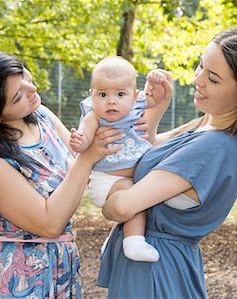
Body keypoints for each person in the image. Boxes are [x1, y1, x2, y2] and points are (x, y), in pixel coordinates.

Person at [96, 24, 237, 298]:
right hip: (156, 265)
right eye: (201, 66)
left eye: (213, 78)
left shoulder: (215, 145)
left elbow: (123, 207)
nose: (197, 79)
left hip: (155, 272)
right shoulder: (207, 125)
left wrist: (110, 192)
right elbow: (146, 153)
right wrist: (158, 105)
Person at [0, 48, 125, 298]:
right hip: (22, 279)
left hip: (63, 268)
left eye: (25, 76)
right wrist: (88, 157)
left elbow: (89, 173)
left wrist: (153, 111)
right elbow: (49, 223)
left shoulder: (40, 116)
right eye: (18, 96)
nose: (32, 90)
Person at [69, 56, 182, 263]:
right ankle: (133, 242)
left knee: (143, 193)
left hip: (133, 176)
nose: (111, 101)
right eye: (102, 94)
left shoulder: (137, 106)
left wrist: (156, 80)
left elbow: (156, 98)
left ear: (135, 95)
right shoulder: (93, 116)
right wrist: (79, 141)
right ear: (91, 95)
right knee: (133, 196)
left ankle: (115, 240)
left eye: (120, 94)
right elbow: (84, 139)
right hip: (107, 180)